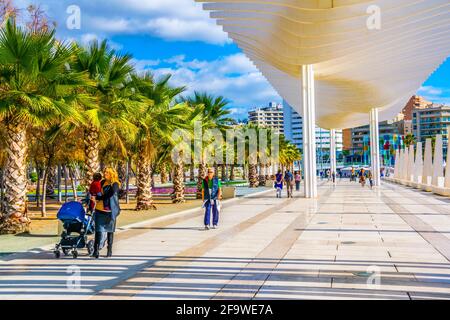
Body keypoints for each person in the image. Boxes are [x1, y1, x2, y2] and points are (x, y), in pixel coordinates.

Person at [91, 167, 121, 258]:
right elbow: (97, 190)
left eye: (107, 172)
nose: (105, 174)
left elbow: (109, 195)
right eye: (105, 172)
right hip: (99, 210)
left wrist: (98, 198)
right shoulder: (102, 182)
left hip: (110, 211)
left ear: (112, 174)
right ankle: (96, 251)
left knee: (110, 231)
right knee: (98, 231)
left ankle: (109, 251)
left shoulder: (115, 183)